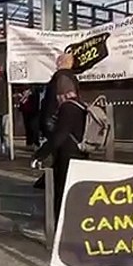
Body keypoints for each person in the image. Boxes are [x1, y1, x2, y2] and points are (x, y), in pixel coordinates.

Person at [31, 89, 87, 225]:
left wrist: (40, 155)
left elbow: (60, 135)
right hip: (79, 153)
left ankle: (61, 225)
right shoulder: (81, 105)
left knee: (61, 192)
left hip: (67, 155)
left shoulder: (68, 107)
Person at [39, 53, 79, 138]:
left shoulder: (61, 77)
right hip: (70, 121)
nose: (56, 65)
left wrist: (47, 119)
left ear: (60, 62)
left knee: (55, 146)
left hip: (58, 120)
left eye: (57, 62)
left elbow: (57, 100)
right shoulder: (72, 77)